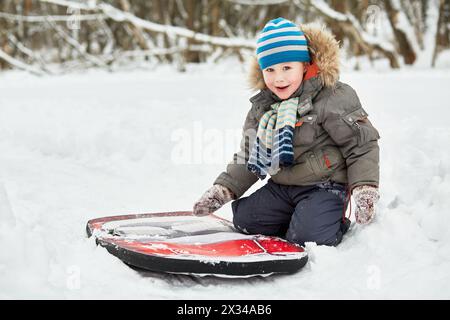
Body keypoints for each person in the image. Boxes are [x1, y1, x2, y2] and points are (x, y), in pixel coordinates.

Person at [193, 17, 380, 247]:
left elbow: (361, 145)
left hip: (325, 185)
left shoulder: (331, 97)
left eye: (287, 68)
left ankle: (327, 223)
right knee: (245, 219)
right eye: (270, 70)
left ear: (305, 65)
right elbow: (249, 153)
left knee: (308, 238)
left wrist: (365, 187)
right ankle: (299, 219)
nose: (278, 78)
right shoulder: (263, 107)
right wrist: (225, 188)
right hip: (283, 186)